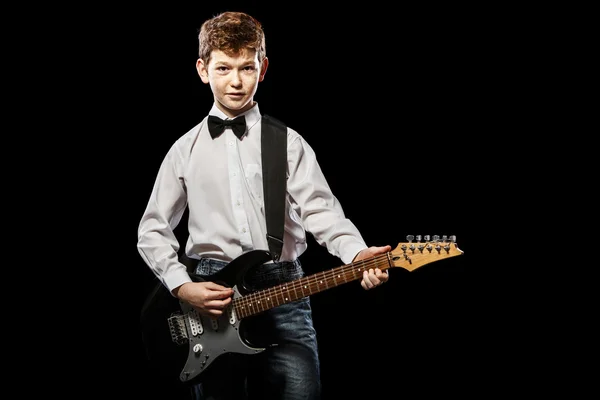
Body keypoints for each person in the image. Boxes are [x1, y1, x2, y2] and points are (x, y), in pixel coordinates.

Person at [137, 11, 390, 400]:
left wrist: (356, 253)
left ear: (263, 67)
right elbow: (152, 229)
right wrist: (182, 285)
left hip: (283, 287)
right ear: (203, 70)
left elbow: (321, 212)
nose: (236, 81)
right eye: (224, 68)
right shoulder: (183, 151)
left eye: (246, 67)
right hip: (211, 297)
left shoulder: (288, 143)